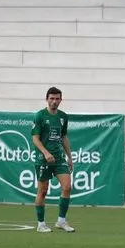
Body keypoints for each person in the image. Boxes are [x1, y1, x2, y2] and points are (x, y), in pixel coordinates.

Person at [31, 87, 75, 233]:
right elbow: (35, 138)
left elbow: (63, 137)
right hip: (43, 159)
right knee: (43, 190)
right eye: (52, 98)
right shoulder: (40, 116)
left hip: (59, 158)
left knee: (67, 186)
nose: (54, 101)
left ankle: (61, 221)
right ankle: (41, 223)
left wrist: (69, 157)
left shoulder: (63, 116)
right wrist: (45, 153)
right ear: (47, 99)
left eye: (57, 99)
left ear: (61, 100)